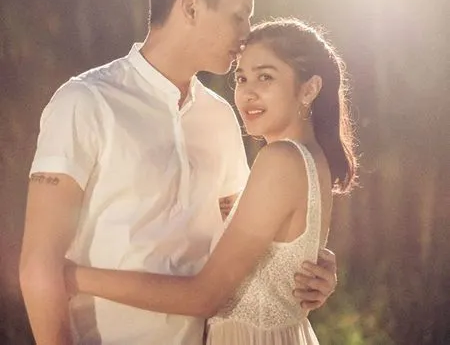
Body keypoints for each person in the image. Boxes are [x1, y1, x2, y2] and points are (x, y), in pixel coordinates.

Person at [20, 0, 338, 345]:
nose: (246, 35)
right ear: (190, 8)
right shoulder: (86, 102)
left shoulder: (221, 117)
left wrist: (304, 261)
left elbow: (247, 236)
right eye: (239, 16)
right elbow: (38, 266)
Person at [65, 18, 358, 344]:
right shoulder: (310, 158)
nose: (248, 92)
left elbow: (202, 297)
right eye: (241, 78)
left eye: (265, 77)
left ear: (309, 89)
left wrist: (72, 276)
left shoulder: (281, 160)